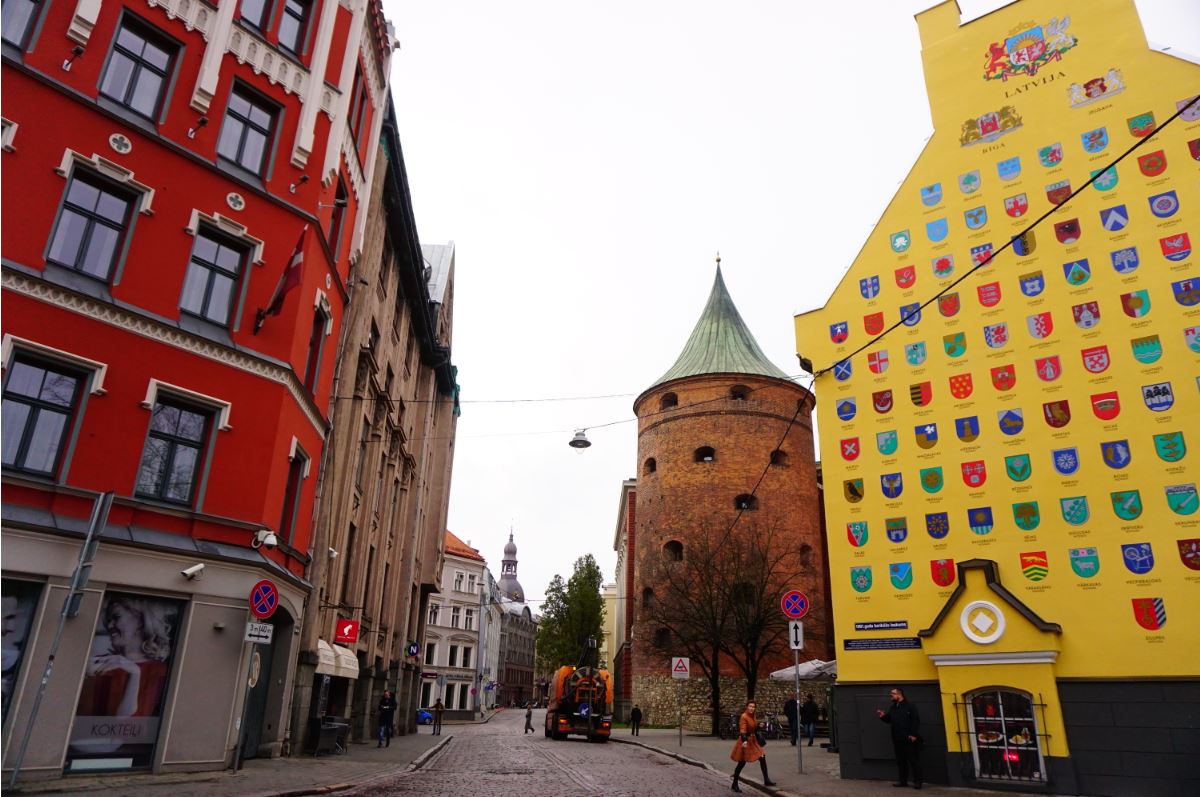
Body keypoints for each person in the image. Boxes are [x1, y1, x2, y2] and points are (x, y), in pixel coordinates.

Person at [76, 596, 174, 718]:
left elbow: (125, 723)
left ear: (140, 621)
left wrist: (135, 674)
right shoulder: (98, 662)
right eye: (108, 620)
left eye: (116, 617)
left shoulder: (161, 671)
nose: (110, 625)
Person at [877, 686, 922, 789]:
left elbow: (915, 720)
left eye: (892, 694)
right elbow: (889, 719)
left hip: (909, 739)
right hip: (897, 739)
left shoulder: (910, 706)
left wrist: (913, 734)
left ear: (899, 694)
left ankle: (918, 782)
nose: (891, 696)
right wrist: (883, 716)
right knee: (901, 761)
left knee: (913, 761)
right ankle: (903, 781)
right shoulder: (893, 707)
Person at [729, 700, 776, 792]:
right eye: (750, 706)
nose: (751, 708)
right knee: (741, 763)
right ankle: (734, 783)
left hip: (753, 741)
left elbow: (753, 728)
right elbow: (743, 729)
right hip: (745, 742)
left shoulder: (753, 716)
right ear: (747, 707)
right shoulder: (744, 716)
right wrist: (744, 740)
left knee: (762, 757)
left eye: (753, 707)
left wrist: (759, 726)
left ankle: (766, 780)